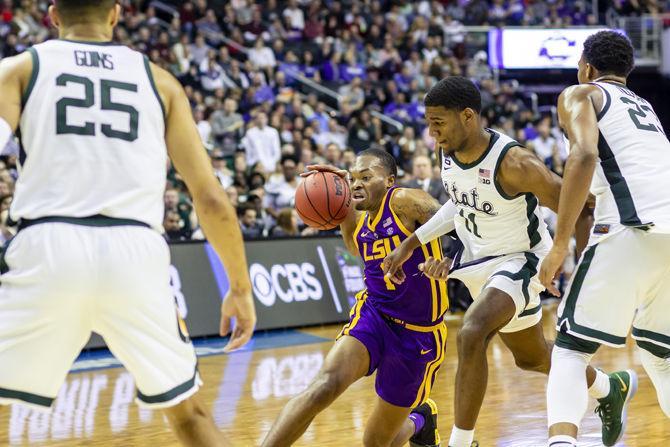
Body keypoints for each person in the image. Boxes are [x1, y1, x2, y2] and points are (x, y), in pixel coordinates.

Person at [0, 2, 256, 446]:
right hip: (136, 254)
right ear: (115, 15)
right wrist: (239, 287)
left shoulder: (21, 69)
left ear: (53, 13)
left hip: (48, 244)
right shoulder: (161, 82)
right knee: (191, 416)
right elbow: (211, 198)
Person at [382, 76, 619, 447]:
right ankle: (609, 387)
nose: (432, 133)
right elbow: (458, 202)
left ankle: (462, 442)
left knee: (472, 331)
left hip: (523, 260)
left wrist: (571, 257)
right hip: (481, 263)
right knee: (533, 357)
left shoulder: (514, 162)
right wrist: (412, 242)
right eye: (428, 123)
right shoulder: (448, 150)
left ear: (468, 117)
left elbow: (578, 205)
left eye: (438, 123)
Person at [262, 149, 450, 447]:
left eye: (366, 177)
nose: (356, 183)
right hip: (374, 316)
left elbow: (456, 223)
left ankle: (420, 419)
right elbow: (354, 245)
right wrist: (334, 188)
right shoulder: (357, 221)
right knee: (324, 386)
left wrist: (449, 261)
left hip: (418, 336)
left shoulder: (406, 201)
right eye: (352, 179)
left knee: (376, 443)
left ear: (389, 180)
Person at [539, 30, 670, 447]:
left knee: (571, 350)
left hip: (632, 227)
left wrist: (559, 245)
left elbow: (584, 154)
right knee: (660, 356)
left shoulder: (581, 93)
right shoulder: (646, 106)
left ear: (587, 67)